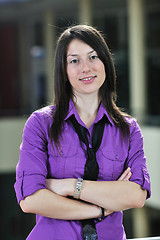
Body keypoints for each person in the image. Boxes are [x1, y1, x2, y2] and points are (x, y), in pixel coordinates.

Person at [14, 25, 151, 240]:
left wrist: (68, 186)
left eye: (93, 57)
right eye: (74, 60)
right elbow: (31, 199)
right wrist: (101, 209)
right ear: (64, 70)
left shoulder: (128, 129)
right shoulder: (40, 124)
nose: (85, 68)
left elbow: (136, 196)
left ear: (105, 62)